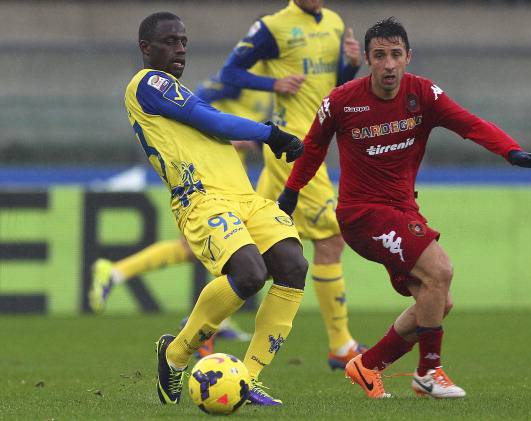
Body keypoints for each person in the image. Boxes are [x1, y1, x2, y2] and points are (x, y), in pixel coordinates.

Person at [277, 17, 531, 399]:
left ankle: (367, 365)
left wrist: (513, 151)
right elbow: (312, 149)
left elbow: (469, 125)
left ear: (408, 56)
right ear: (369, 61)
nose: (388, 64)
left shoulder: (423, 94)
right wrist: (290, 194)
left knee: (438, 299)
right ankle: (428, 372)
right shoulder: (341, 101)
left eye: (395, 55)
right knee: (440, 270)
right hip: (361, 214)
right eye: (379, 56)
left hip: (403, 211)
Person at [125, 11, 309, 406]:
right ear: (146, 48)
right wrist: (269, 133)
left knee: (293, 265)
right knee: (249, 273)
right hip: (201, 198)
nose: (180, 49)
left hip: (243, 195)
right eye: (170, 41)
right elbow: (209, 118)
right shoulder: (147, 83)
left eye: (184, 42)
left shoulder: (176, 91)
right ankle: (175, 354)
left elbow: (207, 120)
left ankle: (249, 377)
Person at [220, 0, 365, 370]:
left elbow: (333, 91)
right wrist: (273, 83)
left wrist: (350, 65)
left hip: (312, 146)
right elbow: (230, 72)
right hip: (295, 151)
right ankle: (341, 346)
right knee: (332, 240)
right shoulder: (274, 26)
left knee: (254, 250)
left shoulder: (334, 22)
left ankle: (206, 327)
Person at [88, 65, 274, 345]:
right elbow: (191, 107)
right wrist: (223, 138)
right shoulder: (235, 79)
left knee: (212, 252)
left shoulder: (268, 89)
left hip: (233, 178)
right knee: (234, 254)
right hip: (205, 181)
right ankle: (205, 322)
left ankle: (117, 272)